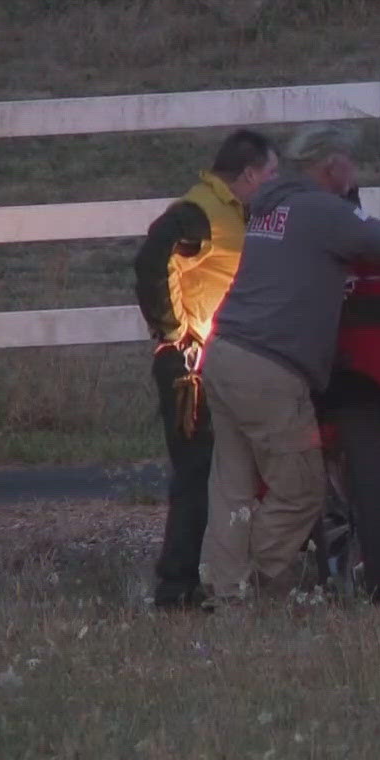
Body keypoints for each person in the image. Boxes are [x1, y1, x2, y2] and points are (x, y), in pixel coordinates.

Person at [197, 145, 380, 604]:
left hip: (224, 353)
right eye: (351, 163)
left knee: (232, 486)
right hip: (271, 368)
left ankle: (225, 593)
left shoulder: (272, 208)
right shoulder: (321, 209)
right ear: (332, 165)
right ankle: (264, 585)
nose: (354, 173)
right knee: (301, 489)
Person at [130, 129, 278, 610]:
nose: (275, 183)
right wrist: (173, 331)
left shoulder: (232, 213)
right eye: (271, 174)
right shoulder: (201, 214)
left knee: (215, 472)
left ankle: (200, 578)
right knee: (197, 473)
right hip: (189, 367)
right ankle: (176, 587)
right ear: (250, 174)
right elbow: (153, 255)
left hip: (210, 360)